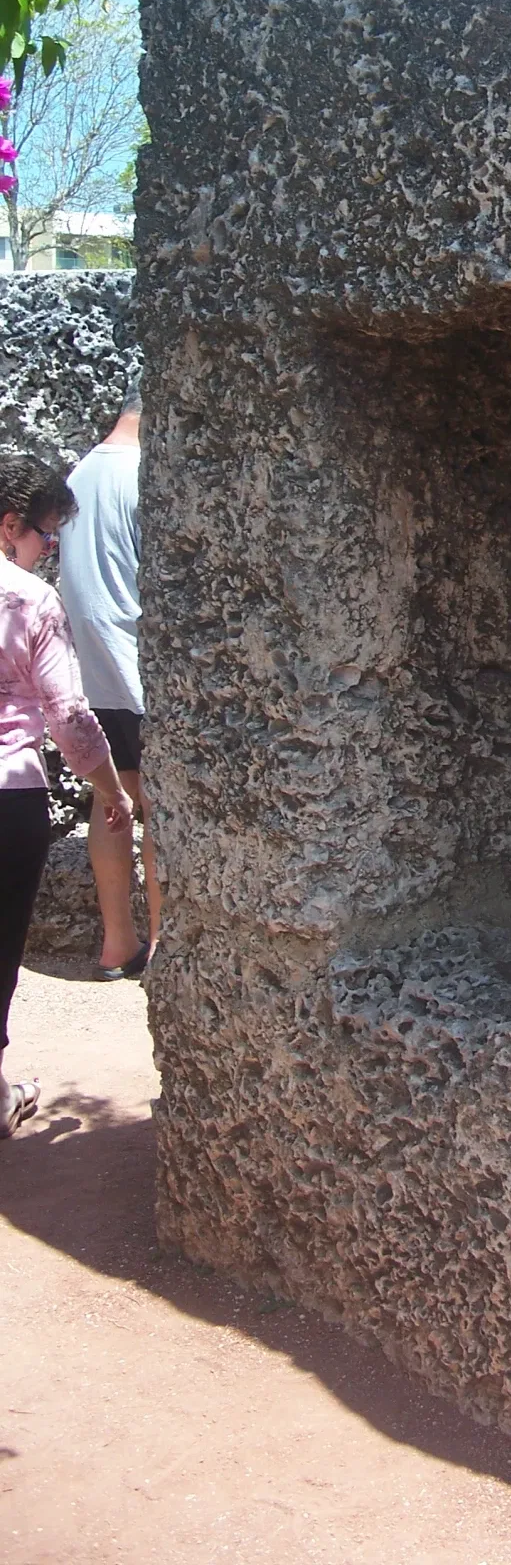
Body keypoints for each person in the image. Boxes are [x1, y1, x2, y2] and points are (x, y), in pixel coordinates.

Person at [1, 452, 133, 1138]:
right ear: (9, 525)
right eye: (45, 535)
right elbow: (69, 715)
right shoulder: (27, 599)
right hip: (8, 795)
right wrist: (110, 788)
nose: (50, 549)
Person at [58, 384, 158, 978]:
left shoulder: (79, 473)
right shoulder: (145, 472)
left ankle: (116, 943)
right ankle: (166, 947)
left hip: (96, 671)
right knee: (160, 807)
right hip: (142, 666)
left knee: (113, 799)